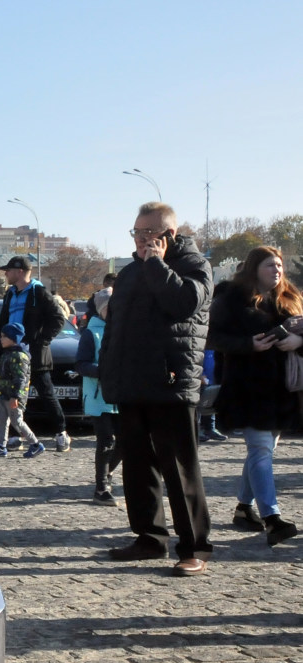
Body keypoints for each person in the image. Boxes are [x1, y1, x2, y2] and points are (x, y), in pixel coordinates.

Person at [98, 202, 213, 576]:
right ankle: (150, 537)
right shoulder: (129, 273)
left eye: (148, 233)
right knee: (137, 466)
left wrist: (156, 264)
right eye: (136, 232)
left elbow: (182, 304)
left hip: (170, 383)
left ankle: (194, 546)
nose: (141, 239)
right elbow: (115, 326)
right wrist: (108, 375)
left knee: (179, 469)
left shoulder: (194, 266)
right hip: (131, 383)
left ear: (169, 235)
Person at [206, 245, 302, 547]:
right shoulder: (232, 298)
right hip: (247, 387)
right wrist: (248, 344)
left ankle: (244, 508)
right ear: (253, 268)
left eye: (279, 265)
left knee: (263, 449)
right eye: (269, 265)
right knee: (261, 448)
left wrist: (298, 339)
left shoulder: (291, 298)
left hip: (283, 387)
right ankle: (272, 518)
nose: (277, 270)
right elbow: (211, 336)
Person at [0, 256, 71, 452]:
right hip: (12, 355)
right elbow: (4, 317)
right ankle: (17, 436)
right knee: (13, 395)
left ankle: (61, 433)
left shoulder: (38, 292)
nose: (5, 274)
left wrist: (41, 340)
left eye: (8, 270)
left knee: (46, 393)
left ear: (20, 271)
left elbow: (58, 319)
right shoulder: (10, 294)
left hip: (35, 355)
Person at [76, 290, 121, 504]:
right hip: (98, 397)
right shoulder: (90, 333)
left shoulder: (124, 330)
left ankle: (107, 471)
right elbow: (81, 364)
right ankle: (101, 488)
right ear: (102, 309)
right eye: (110, 308)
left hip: (122, 396)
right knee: (106, 440)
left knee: (126, 441)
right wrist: (104, 371)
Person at [0, 322, 42, 458]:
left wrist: (15, 397)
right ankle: (0, 446)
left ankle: (35, 444)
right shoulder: (7, 354)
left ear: (13, 338)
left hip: (14, 396)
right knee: (2, 419)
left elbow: (20, 379)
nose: (0, 338)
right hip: (5, 394)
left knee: (17, 421)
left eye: (4, 336)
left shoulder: (19, 356)